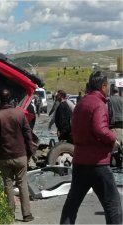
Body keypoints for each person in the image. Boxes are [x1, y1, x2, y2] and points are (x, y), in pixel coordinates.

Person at [60, 70, 122, 224]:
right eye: (107, 86)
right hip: (98, 163)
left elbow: (73, 126)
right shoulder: (99, 104)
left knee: (72, 204)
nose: (108, 89)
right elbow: (100, 128)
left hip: (80, 161)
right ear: (102, 86)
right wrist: (113, 139)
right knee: (112, 204)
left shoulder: (82, 103)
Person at [0, 89, 34, 222]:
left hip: (5, 157)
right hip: (21, 155)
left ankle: (10, 215)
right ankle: (27, 214)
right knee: (22, 184)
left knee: (8, 186)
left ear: (0, 100)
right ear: (10, 99)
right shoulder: (19, 114)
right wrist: (29, 153)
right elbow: (28, 135)